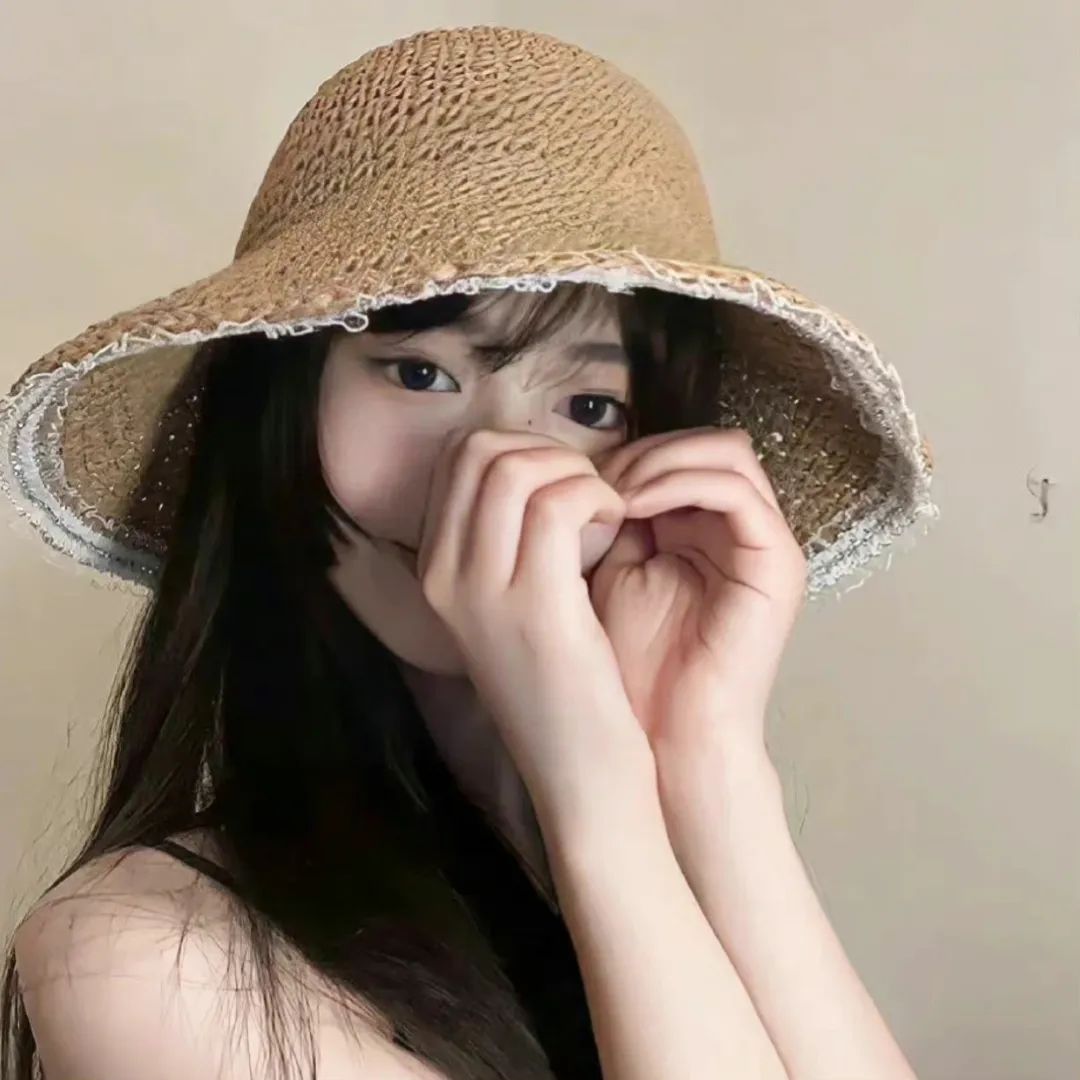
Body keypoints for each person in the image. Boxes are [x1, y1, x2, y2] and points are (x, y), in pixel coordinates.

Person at [0, 25, 934, 1080]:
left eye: (591, 405)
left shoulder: (652, 854)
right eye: (419, 374)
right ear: (275, 418)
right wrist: (595, 787)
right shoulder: (141, 958)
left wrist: (707, 754)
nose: (496, 472)